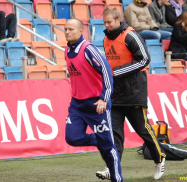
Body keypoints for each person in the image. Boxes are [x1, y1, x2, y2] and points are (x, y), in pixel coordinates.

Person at [96, 7, 166, 181]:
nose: (107, 25)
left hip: (134, 91)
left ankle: (159, 158)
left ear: (118, 20)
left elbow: (144, 60)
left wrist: (117, 72)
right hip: (116, 94)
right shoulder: (106, 39)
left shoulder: (130, 35)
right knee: (114, 134)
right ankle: (111, 167)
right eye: (104, 22)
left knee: (143, 130)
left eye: (109, 22)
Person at [64, 18, 123, 182]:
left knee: (108, 149)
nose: (67, 32)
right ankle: (100, 139)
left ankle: (117, 179)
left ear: (80, 31)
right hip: (77, 105)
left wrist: (104, 98)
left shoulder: (88, 49)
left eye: (70, 29)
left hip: (97, 105)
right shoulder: (66, 50)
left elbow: (107, 72)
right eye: (65, 29)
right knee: (72, 138)